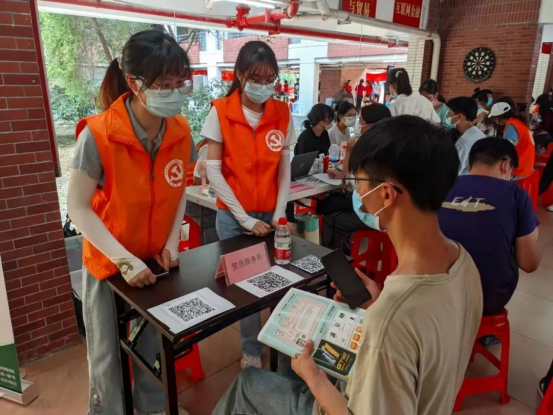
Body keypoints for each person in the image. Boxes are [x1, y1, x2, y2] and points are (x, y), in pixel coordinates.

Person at [214, 115, 483, 415]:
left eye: (359, 183)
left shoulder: (390, 321)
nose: (358, 195)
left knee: (249, 382)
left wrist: (314, 378)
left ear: (386, 194)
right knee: (295, 358)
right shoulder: (464, 263)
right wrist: (377, 304)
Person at [67, 30, 195, 415]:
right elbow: (77, 207)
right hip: (108, 265)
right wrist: (124, 260)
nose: (173, 92)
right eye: (163, 85)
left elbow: (179, 189)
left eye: (179, 83)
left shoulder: (180, 131)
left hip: (154, 263)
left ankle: (153, 409)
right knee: (107, 356)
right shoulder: (98, 134)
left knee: (152, 346)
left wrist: (171, 243)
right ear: (134, 83)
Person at [204, 41, 296, 370]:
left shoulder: (281, 112)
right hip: (233, 217)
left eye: (270, 79)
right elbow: (213, 170)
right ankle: (251, 350)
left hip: (271, 214)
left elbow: (284, 166)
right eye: (256, 79)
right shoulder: (221, 111)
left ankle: (282, 345)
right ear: (240, 75)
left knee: (280, 279)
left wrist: (280, 212)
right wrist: (243, 218)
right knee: (246, 288)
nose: (264, 86)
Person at [439, 138, 540, 316]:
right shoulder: (516, 194)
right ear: (506, 165)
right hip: (487, 300)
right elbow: (529, 264)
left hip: (434, 293)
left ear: (469, 166)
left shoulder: (443, 186)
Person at [319, 104, 391, 254]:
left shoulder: (369, 150)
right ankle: (346, 248)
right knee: (333, 204)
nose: (359, 126)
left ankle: (336, 259)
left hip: (374, 214)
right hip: (389, 210)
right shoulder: (390, 146)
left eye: (361, 121)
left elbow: (347, 186)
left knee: (332, 217)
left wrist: (349, 154)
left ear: (372, 126)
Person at [489, 97, 535, 179]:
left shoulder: (511, 126)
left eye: (494, 117)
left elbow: (506, 149)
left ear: (499, 116)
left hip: (519, 170)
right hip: (526, 166)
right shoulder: (518, 122)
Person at [447, 97, 486, 175]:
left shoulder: (463, 143)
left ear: (460, 116)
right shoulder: (477, 133)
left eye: (449, 115)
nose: (447, 118)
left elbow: (451, 173)